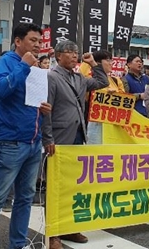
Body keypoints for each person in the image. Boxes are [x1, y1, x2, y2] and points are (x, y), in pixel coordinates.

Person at [0, 23, 52, 249]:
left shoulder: (37, 68)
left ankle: (17, 244)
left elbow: (28, 102)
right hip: (10, 142)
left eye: (39, 41)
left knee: (25, 199)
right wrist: (24, 66)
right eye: (32, 40)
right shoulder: (6, 62)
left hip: (32, 142)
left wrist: (43, 110)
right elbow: (0, 90)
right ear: (18, 41)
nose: (38, 45)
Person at [42, 41, 108, 249]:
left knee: (73, 185)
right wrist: (48, 138)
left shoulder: (79, 77)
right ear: (59, 56)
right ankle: (53, 234)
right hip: (60, 137)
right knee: (55, 187)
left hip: (79, 135)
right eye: (69, 52)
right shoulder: (51, 77)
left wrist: (93, 63)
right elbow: (46, 110)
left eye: (76, 53)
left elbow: (101, 82)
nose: (74, 56)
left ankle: (69, 227)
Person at [79, 50, 125, 144]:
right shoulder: (89, 79)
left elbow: (125, 102)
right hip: (94, 126)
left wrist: (116, 94)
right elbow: (81, 84)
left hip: (113, 126)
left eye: (111, 60)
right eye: (108, 60)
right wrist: (88, 62)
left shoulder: (116, 80)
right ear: (98, 62)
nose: (111, 63)